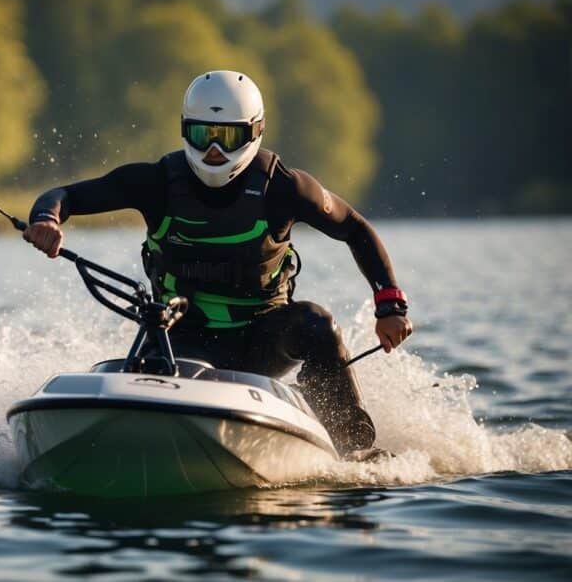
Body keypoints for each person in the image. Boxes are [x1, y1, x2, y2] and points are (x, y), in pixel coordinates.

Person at [23, 71, 412, 457]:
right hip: (182, 340)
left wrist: (390, 305)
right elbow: (64, 194)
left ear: (254, 132)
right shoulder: (156, 183)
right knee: (149, 366)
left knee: (317, 324)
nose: (212, 151)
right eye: (201, 134)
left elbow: (355, 228)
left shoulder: (284, 188)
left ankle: (355, 450)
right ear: (184, 130)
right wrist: (46, 220)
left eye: (226, 137)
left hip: (264, 339)